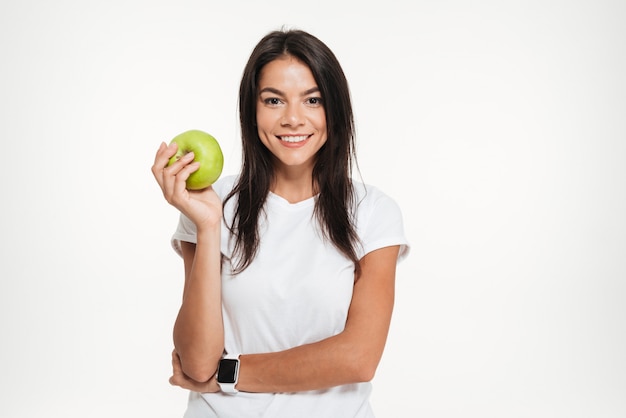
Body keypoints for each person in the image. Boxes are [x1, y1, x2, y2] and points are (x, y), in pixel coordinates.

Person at [151, 28, 410, 418]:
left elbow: (357, 358)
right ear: (251, 110)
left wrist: (231, 372)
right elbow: (198, 363)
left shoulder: (373, 212)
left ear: (334, 109)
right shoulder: (211, 202)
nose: (293, 118)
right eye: (273, 100)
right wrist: (207, 226)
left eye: (313, 100)